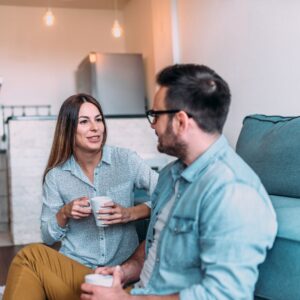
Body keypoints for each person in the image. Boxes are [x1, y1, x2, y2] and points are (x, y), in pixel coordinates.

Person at [80, 64, 278, 300]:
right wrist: (123, 272)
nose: (152, 124)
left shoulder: (233, 192)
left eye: (156, 115)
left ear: (181, 122)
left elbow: (225, 295)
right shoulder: (168, 176)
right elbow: (157, 243)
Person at [3, 93, 158, 300]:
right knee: (29, 257)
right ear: (68, 130)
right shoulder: (57, 177)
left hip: (120, 275)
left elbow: (169, 194)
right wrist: (64, 213)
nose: (95, 128)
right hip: (76, 270)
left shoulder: (126, 160)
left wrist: (131, 213)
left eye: (98, 119)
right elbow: (47, 237)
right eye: (84, 122)